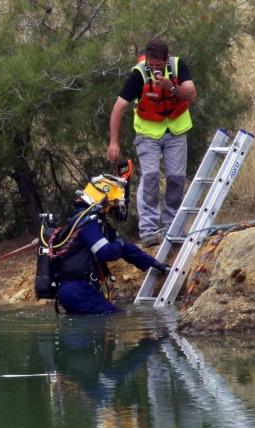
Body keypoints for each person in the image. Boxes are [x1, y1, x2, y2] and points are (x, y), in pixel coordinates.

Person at [107, 39, 197, 248]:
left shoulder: (177, 66)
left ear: (166, 59)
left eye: (159, 65)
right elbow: (118, 108)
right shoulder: (138, 74)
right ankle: (148, 230)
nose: (155, 69)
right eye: (151, 64)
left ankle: (172, 227)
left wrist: (170, 87)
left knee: (176, 177)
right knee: (150, 176)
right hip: (148, 133)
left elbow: (191, 93)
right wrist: (114, 142)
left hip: (176, 131)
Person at [46, 174, 167, 314]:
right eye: (115, 203)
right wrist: (119, 242)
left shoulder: (92, 220)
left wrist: (153, 263)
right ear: (104, 199)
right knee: (119, 317)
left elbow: (124, 248)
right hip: (78, 290)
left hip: (77, 290)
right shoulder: (87, 222)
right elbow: (105, 253)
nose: (116, 208)